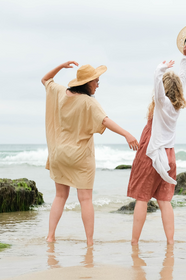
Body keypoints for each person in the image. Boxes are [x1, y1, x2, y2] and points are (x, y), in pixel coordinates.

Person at [41, 61, 139, 246]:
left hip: (59, 154)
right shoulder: (88, 102)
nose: (98, 85)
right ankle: (89, 242)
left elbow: (45, 79)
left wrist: (61, 66)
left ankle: (50, 236)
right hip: (80, 157)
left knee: (60, 196)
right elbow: (105, 120)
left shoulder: (61, 92)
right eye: (96, 81)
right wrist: (127, 134)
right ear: (87, 83)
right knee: (85, 199)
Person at [127, 43, 186, 245]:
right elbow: (182, 79)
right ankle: (170, 242)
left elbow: (158, 90)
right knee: (165, 201)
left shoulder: (161, 104)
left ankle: (134, 242)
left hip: (151, 154)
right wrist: (185, 58)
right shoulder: (175, 107)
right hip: (168, 156)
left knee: (142, 198)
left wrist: (160, 69)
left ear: (164, 88)